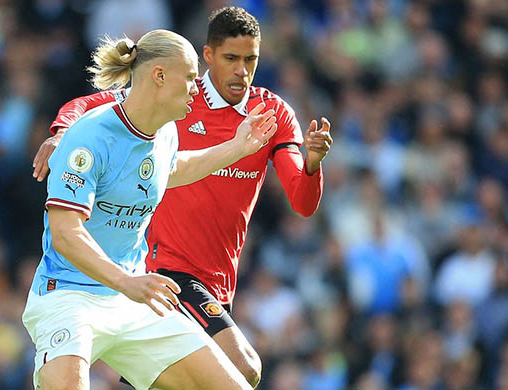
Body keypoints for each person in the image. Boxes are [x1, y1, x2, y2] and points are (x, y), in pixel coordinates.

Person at [32, 7, 333, 388]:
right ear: (207, 57)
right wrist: (61, 133)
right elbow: (86, 112)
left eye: (250, 60)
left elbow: (180, 168)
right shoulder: (142, 114)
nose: (241, 70)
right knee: (242, 366)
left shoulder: (255, 116)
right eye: (230, 59)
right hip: (136, 278)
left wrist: (291, 158)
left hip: (186, 285)